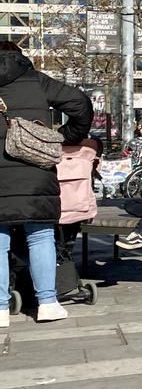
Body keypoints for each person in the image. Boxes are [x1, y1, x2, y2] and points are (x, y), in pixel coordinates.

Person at [0, 41, 93, 326]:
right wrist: (65, 136)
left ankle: (1, 308)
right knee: (40, 236)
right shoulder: (36, 80)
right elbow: (79, 104)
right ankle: (48, 303)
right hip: (36, 170)